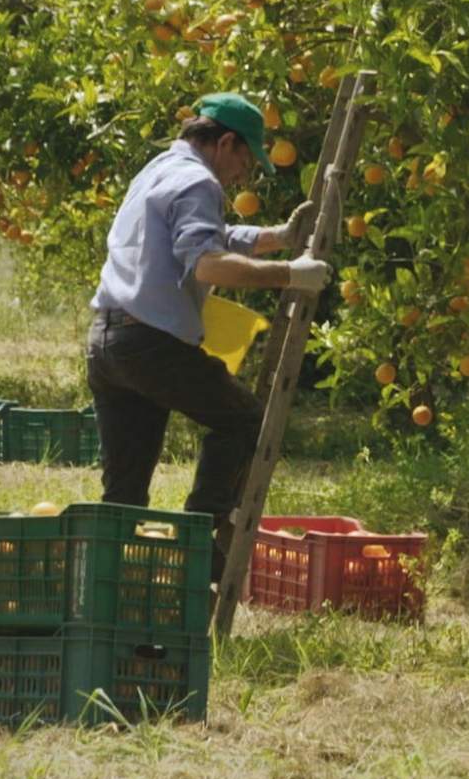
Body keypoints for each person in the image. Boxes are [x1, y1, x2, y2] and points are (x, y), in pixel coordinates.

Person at [86, 92, 330, 576]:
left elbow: (203, 235)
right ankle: (199, 541)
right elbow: (209, 263)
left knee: (124, 493)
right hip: (151, 346)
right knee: (243, 420)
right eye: (245, 159)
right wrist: (290, 273)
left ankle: (104, 597)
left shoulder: (156, 170)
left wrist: (276, 236)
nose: (243, 174)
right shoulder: (199, 181)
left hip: (106, 343)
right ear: (224, 142)